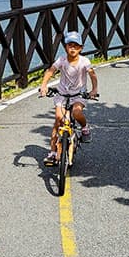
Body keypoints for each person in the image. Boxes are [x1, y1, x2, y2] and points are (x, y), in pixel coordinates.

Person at [37, 31, 98, 165]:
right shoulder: (62, 60)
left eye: (76, 46)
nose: (72, 48)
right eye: (70, 45)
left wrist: (94, 90)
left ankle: (85, 127)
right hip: (62, 94)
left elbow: (92, 75)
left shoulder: (84, 61)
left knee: (76, 112)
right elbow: (51, 71)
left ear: (81, 48)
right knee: (58, 119)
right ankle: (52, 152)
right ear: (65, 47)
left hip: (78, 95)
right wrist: (44, 86)